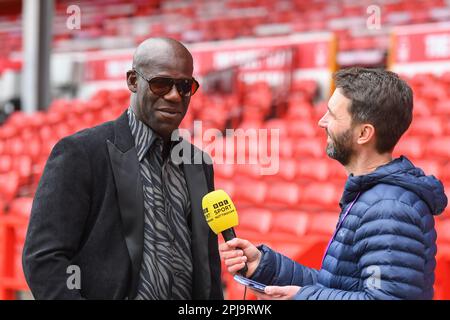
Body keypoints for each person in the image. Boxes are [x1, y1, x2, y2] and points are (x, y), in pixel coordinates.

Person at [220, 67, 447, 300]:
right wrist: (266, 266)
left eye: (333, 115)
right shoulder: (371, 198)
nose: (321, 122)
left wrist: (302, 299)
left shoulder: (388, 209)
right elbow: (336, 286)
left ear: (363, 134)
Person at [23, 37, 223, 300]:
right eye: (161, 84)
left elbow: (207, 267)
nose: (175, 96)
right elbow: (43, 259)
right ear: (132, 81)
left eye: (185, 86)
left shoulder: (199, 164)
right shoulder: (81, 153)